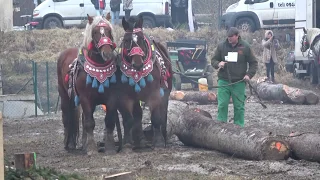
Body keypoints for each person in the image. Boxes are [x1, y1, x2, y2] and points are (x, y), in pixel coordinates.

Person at [211, 27, 258, 127]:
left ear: (237, 36)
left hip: (239, 82)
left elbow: (253, 63)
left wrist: (248, 75)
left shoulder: (245, 47)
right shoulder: (221, 46)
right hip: (224, 80)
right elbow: (213, 60)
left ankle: (239, 127)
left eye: (231, 37)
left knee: (239, 106)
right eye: (228, 37)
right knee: (222, 104)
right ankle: (221, 126)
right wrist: (218, 63)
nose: (229, 39)